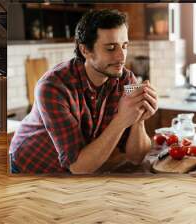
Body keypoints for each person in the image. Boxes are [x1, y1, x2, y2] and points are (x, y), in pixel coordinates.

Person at [9, 9, 158, 174]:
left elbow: (136, 158)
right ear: (85, 50)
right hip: (29, 168)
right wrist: (122, 120)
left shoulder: (125, 80)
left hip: (74, 172)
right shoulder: (53, 87)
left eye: (124, 46)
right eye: (110, 48)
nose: (121, 56)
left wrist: (138, 118)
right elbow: (79, 167)